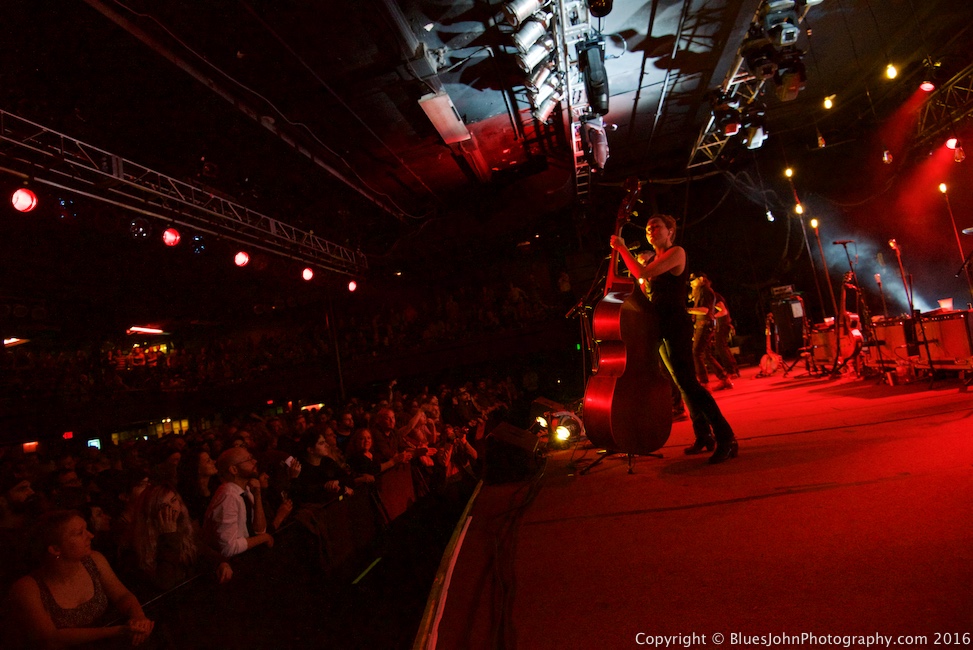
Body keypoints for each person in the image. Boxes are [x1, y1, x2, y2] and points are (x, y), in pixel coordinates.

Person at [610, 214, 739, 463]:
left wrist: (622, 248)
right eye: (648, 228)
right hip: (659, 325)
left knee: (689, 383)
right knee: (681, 383)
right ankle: (703, 435)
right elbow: (645, 286)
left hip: (676, 325)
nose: (650, 230)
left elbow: (642, 273)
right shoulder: (655, 259)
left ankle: (726, 436)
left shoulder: (676, 253)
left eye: (656, 226)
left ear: (670, 231)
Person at [6, 510, 155, 648]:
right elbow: (50, 639)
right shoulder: (27, 588)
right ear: (55, 549)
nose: (90, 535)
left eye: (86, 529)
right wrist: (117, 631)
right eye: (79, 533)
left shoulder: (94, 561)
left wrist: (139, 617)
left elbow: (122, 596)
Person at [129, 484, 232, 592]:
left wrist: (221, 564)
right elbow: (165, 583)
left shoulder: (183, 529)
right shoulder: (137, 547)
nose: (172, 508)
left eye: (173, 501)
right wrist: (168, 535)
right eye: (164, 506)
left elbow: (206, 553)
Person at [202, 447, 274, 558]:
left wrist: (257, 495)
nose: (254, 461)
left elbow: (260, 530)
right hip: (235, 560)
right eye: (248, 460)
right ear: (234, 470)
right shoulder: (228, 496)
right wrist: (264, 538)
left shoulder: (246, 489)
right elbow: (228, 548)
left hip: (248, 554)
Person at [689, 273, 733, 390]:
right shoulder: (701, 291)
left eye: (693, 281)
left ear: (701, 279)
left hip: (705, 325)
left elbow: (705, 310)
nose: (691, 283)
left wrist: (687, 310)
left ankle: (704, 383)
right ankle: (724, 378)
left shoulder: (705, 291)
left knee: (696, 352)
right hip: (705, 324)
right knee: (706, 354)